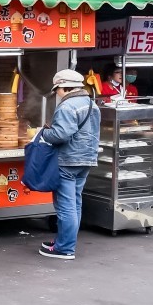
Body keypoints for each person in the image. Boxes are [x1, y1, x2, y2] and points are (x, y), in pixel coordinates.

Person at [39, 69, 100, 261]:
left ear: (65, 87)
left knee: (65, 206)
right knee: (75, 203)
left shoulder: (67, 106)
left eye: (57, 89)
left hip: (68, 160)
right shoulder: (92, 104)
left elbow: (60, 135)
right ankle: (63, 241)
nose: (57, 93)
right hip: (86, 159)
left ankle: (64, 248)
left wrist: (43, 133)